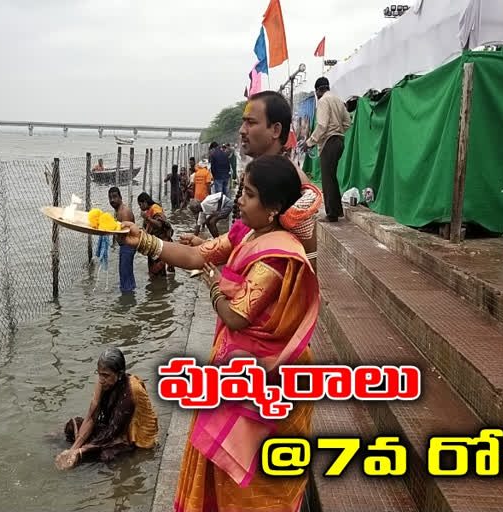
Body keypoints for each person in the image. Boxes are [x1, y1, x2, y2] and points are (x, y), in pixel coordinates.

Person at [119, 155, 319, 511]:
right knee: (221, 473)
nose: (239, 199)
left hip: (267, 379)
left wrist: (214, 286)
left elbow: (239, 315)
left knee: (252, 483)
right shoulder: (248, 234)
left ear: (273, 208)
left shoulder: (276, 255)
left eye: (250, 194)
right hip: (236, 372)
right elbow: (198, 256)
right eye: (241, 189)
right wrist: (143, 242)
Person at [236, 90, 322, 268]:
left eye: (251, 122)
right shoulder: (257, 172)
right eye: (243, 122)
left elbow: (307, 258)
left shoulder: (291, 180)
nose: (242, 130)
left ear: (275, 130)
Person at [55, 348, 158, 469]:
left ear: (119, 374)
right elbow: (91, 417)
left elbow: (113, 432)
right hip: (110, 428)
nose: (101, 379)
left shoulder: (131, 390)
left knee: (107, 456)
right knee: (72, 426)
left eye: (106, 375)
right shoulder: (103, 382)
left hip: (127, 437)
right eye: (99, 374)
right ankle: (84, 452)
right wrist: (72, 450)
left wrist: (80, 451)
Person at [304, 76, 352, 222]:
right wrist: (339, 132)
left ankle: (332, 214)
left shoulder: (324, 101)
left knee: (327, 178)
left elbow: (322, 125)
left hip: (329, 142)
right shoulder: (338, 100)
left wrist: (309, 142)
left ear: (318, 90)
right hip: (339, 141)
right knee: (331, 177)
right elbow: (348, 122)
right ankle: (336, 211)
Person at [137, 192, 174, 276]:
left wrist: (147, 218)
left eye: (140, 204)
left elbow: (159, 224)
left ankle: (159, 287)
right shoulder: (149, 211)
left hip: (160, 244)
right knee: (156, 271)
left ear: (145, 202)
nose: (140, 207)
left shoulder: (155, 208)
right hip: (155, 243)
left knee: (158, 272)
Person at [108, 187, 136, 293]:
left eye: (115, 197)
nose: (112, 200)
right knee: (126, 273)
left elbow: (124, 235)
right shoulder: (118, 210)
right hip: (125, 246)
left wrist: (108, 230)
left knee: (125, 274)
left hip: (128, 246)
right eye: (110, 197)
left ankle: (127, 299)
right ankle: (129, 290)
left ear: (120, 197)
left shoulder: (124, 212)